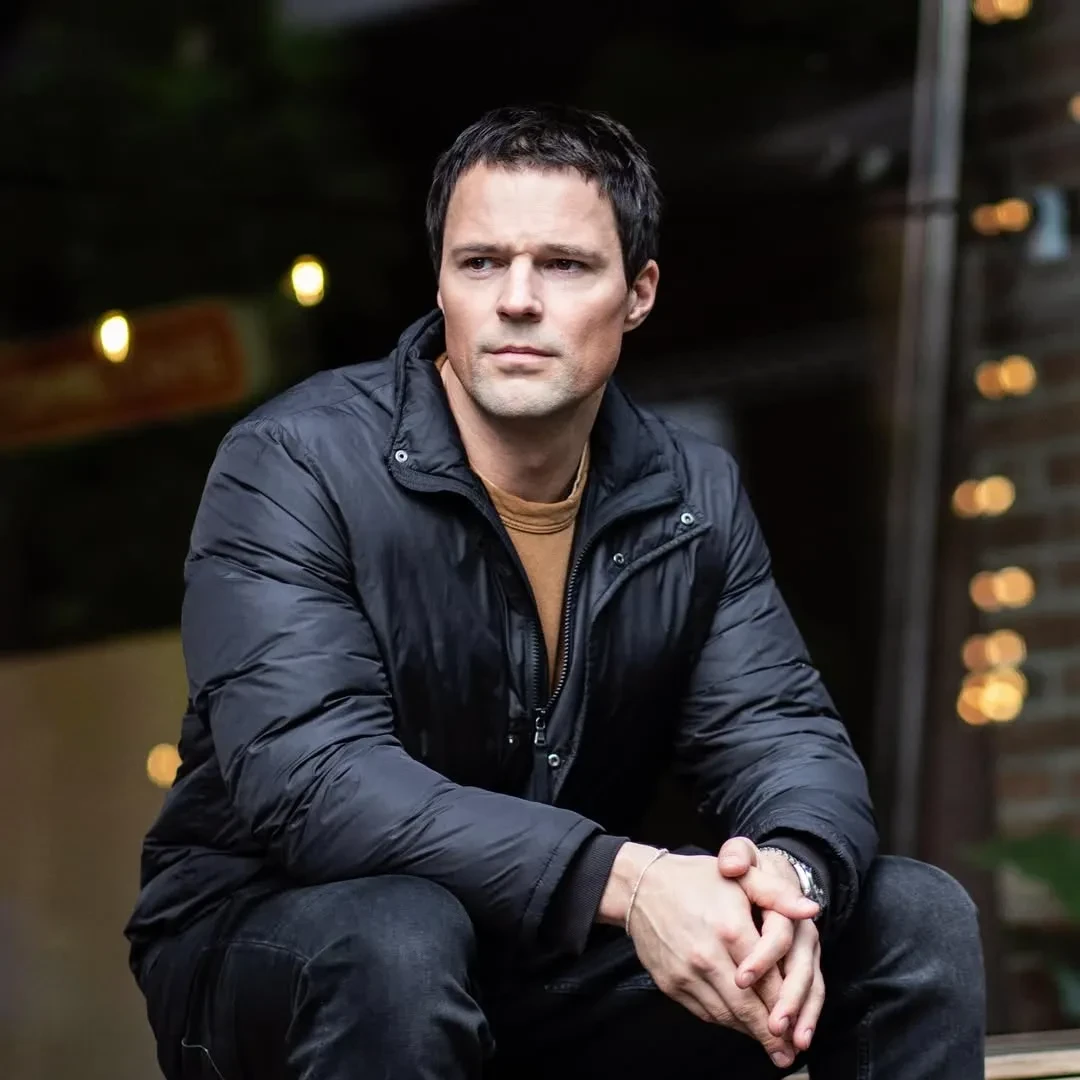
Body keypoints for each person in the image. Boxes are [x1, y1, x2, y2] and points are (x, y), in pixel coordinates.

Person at [127, 104, 985, 1080]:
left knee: (910, 918)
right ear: (441, 284)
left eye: (565, 265)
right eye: (480, 263)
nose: (517, 300)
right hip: (278, 944)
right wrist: (628, 879)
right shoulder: (295, 463)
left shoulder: (689, 494)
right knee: (401, 936)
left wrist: (787, 880)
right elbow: (312, 781)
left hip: (548, 950)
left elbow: (781, 733)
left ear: (639, 292)